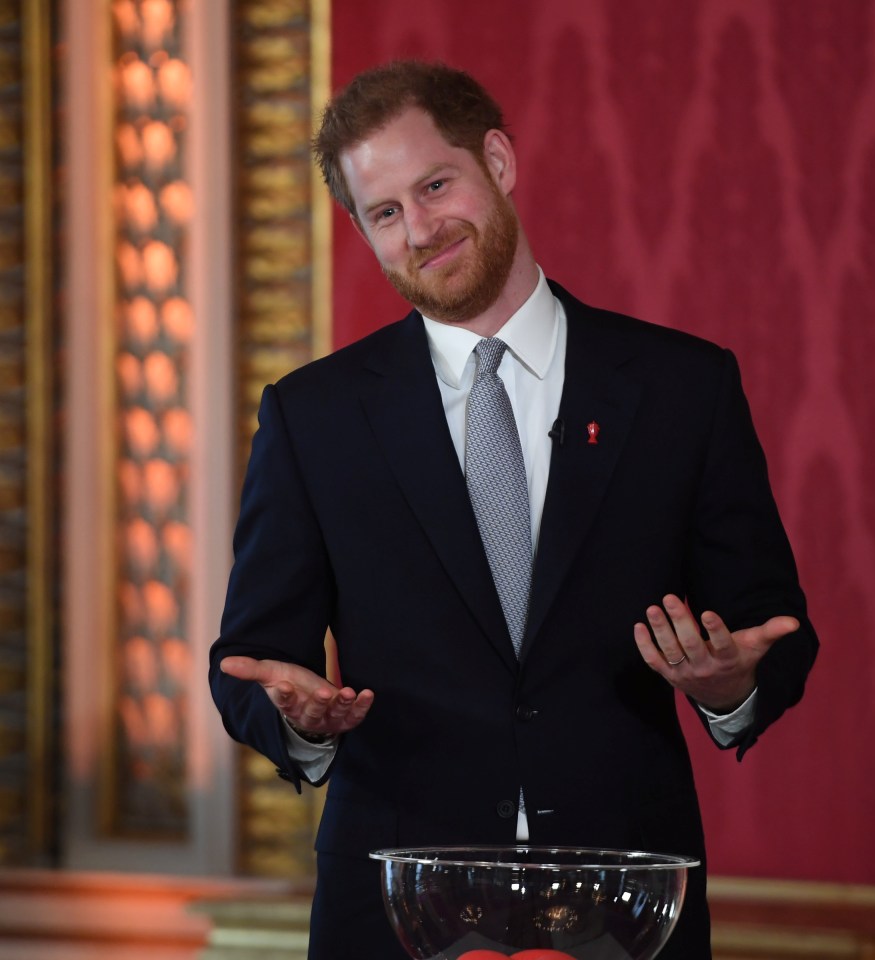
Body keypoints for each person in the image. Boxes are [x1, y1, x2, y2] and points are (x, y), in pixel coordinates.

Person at [210, 60, 818, 960]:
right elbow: (250, 661)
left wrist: (729, 690)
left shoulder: (682, 387)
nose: (420, 229)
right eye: (385, 213)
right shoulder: (314, 417)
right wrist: (296, 721)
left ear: (497, 161)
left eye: (436, 185)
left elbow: (776, 629)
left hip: (628, 903)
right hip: (394, 909)